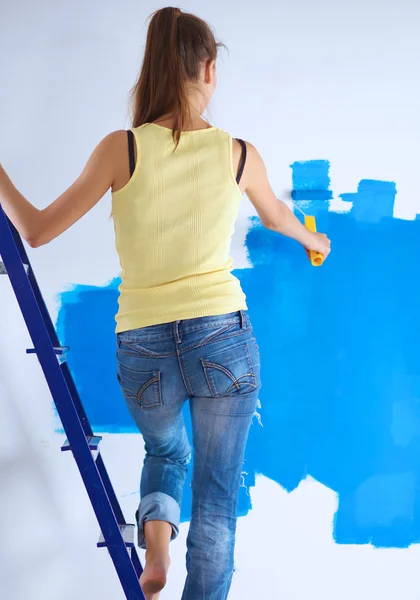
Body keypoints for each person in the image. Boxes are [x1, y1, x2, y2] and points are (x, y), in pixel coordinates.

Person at [0, 6, 330, 599]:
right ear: (205, 68)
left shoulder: (121, 148)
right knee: (217, 500)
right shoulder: (237, 153)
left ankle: (155, 551)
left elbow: (39, 230)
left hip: (144, 343)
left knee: (165, 448)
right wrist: (316, 240)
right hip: (222, 337)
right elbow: (279, 218)